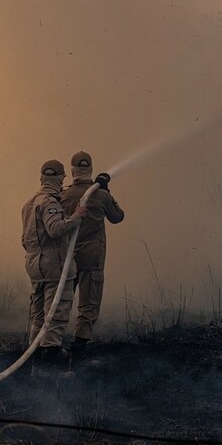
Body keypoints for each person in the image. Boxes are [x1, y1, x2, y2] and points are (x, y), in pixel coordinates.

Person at [22, 159, 87, 378]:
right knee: (55, 316)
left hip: (35, 268)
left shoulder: (29, 204)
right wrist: (77, 216)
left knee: (39, 318)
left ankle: (35, 367)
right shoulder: (50, 203)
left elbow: (25, 240)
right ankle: (49, 373)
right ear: (60, 178)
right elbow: (56, 229)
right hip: (55, 269)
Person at [61, 151, 125, 361]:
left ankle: (53, 344)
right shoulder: (101, 195)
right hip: (93, 258)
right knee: (89, 304)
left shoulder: (63, 195)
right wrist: (106, 191)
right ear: (90, 169)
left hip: (67, 259)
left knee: (61, 301)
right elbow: (118, 217)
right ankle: (79, 350)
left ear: (72, 171)